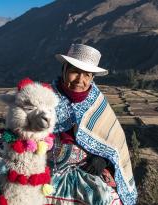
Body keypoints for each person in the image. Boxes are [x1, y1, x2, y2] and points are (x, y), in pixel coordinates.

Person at [45, 44, 137, 205]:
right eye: (75, 71)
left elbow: (115, 143)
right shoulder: (46, 98)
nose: (80, 80)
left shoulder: (98, 104)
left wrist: (103, 160)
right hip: (50, 167)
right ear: (64, 70)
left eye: (87, 75)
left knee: (107, 199)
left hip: (89, 169)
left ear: (92, 78)